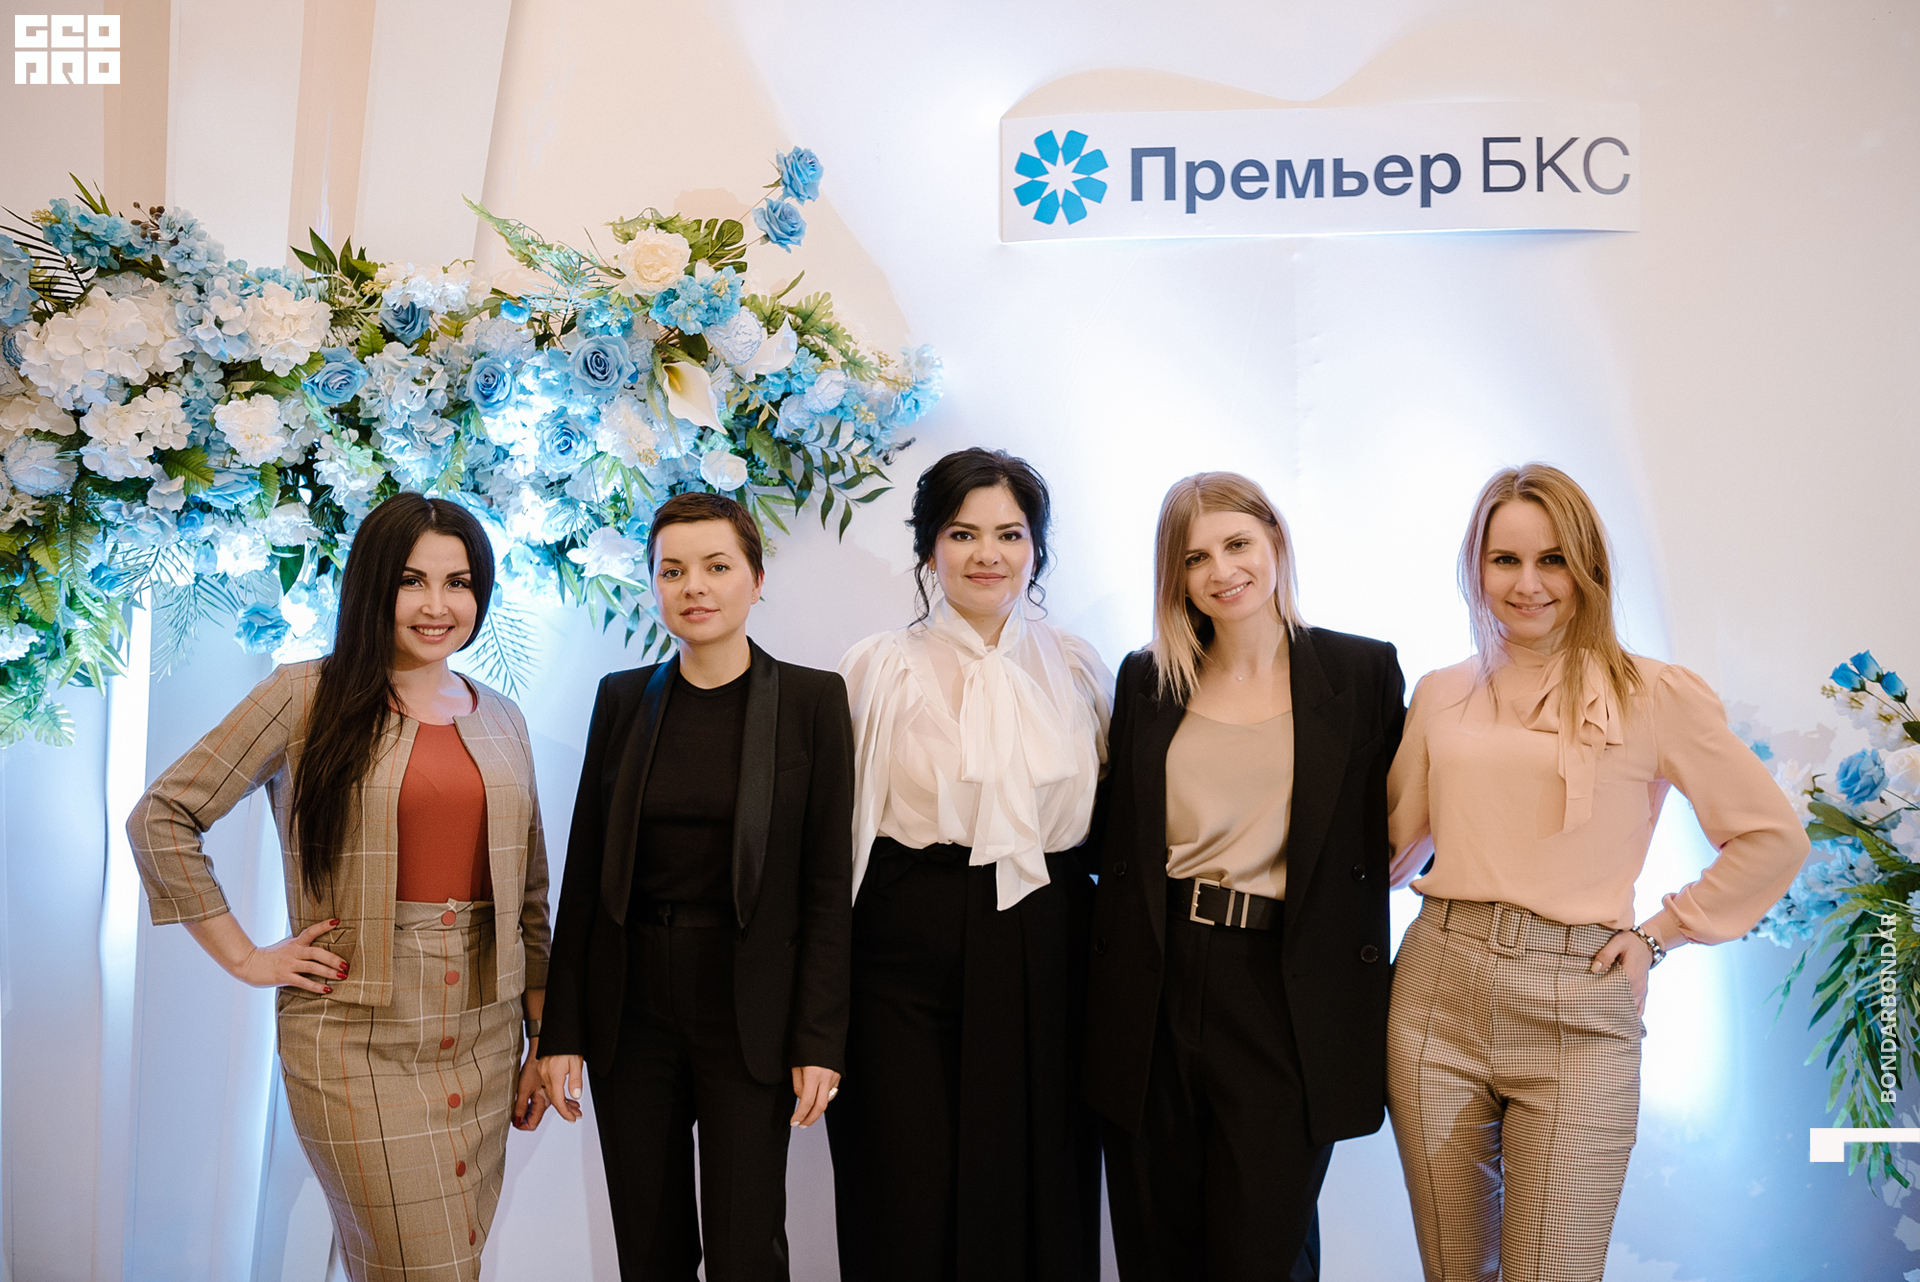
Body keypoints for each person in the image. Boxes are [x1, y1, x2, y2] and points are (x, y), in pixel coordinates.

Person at [1385, 463, 1809, 1282]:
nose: (1528, 584)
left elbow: (1771, 836)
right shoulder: (1441, 693)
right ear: (1476, 567)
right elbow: (1387, 851)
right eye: (1505, 560)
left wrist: (1661, 934)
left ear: (1589, 568)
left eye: (1553, 560)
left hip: (1580, 1003)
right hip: (1437, 991)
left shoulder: (1655, 693)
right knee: (1454, 1272)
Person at [128, 493, 552, 1281]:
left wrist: (543, 1037)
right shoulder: (304, 695)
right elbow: (163, 815)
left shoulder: (503, 717)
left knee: (450, 1265)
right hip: (356, 1042)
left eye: (458, 583)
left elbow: (530, 896)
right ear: (370, 587)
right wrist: (246, 957)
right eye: (411, 581)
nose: (437, 605)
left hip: (488, 1043)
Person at [1086, 471, 1405, 1281]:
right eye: (1195, 558)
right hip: (1155, 978)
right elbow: (1112, 838)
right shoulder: (1147, 678)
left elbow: (1407, 823)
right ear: (1175, 576)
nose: (1222, 571)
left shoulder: (1361, 672)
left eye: (1237, 544)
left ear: (1276, 543)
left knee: (1261, 1251)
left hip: (1282, 986)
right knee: (1157, 1246)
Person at [537, 492, 853, 1282]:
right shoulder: (621, 699)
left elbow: (825, 886)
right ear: (653, 585)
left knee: (748, 1247)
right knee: (650, 1246)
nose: (694, 587)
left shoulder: (812, 702)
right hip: (631, 1005)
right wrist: (561, 1029)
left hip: (748, 1007)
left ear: (756, 578)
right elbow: (585, 874)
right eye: (672, 571)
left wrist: (819, 1038)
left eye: (716, 566)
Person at [826, 447, 1111, 1282]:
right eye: (963, 533)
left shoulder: (1079, 667)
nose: (988, 554)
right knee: (904, 1185)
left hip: (1048, 941)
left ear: (1036, 549)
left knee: (1038, 1174)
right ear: (929, 548)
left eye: (1009, 534)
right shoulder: (877, 665)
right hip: (902, 949)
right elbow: (834, 834)